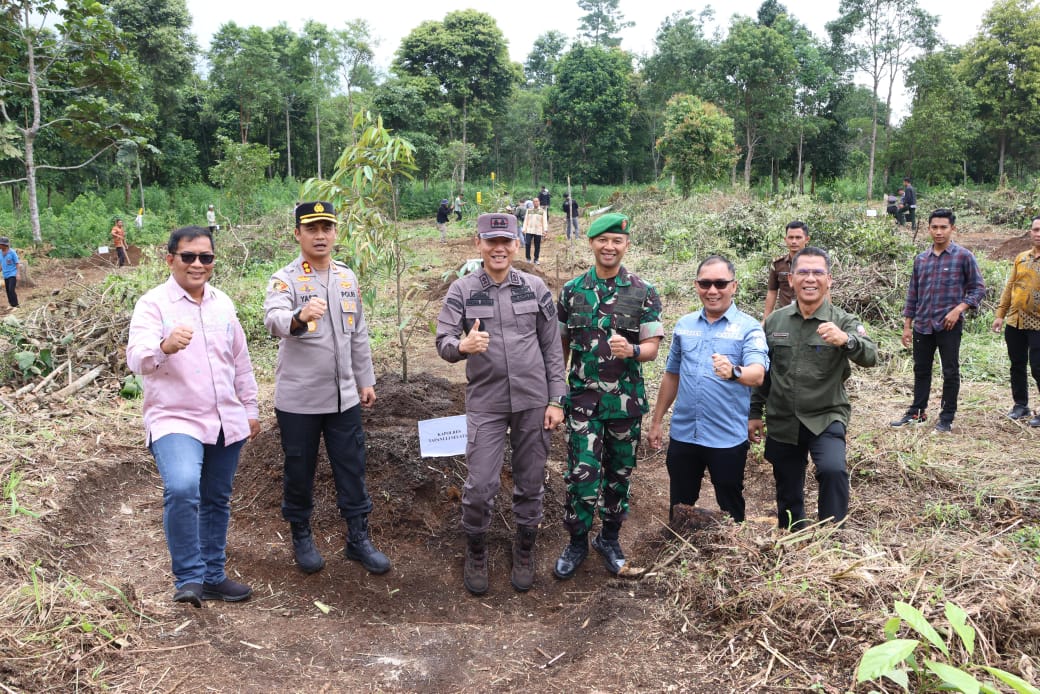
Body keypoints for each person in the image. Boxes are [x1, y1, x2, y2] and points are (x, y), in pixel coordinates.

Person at [126, 226, 259, 606]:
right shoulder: (153, 305)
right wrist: (163, 347)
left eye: (206, 257)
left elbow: (240, 362)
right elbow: (136, 357)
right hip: (175, 418)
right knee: (184, 487)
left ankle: (214, 576)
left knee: (216, 498)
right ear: (170, 259)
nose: (197, 264)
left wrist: (250, 408)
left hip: (223, 417)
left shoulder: (223, 303)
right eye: (188, 257)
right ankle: (189, 578)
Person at [435, 212, 566, 595]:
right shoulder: (461, 290)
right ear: (478, 244)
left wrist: (557, 398)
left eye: (506, 241)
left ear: (517, 245)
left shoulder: (535, 287)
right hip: (486, 403)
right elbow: (443, 339)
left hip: (532, 401)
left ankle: (524, 547)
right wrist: (461, 346)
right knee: (480, 485)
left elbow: (551, 348)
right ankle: (476, 548)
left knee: (529, 482)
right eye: (491, 241)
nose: (499, 248)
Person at [263, 201, 390, 576]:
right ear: (298, 234)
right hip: (299, 400)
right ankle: (301, 534)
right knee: (299, 469)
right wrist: (298, 317)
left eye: (327, 228)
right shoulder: (285, 279)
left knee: (352, 467)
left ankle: (357, 537)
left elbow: (359, 334)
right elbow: (273, 320)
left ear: (336, 233)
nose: (320, 236)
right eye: (312, 229)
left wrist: (365, 380)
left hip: (344, 397)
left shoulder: (347, 278)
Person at [553, 213, 664, 579]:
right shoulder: (571, 291)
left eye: (617, 240)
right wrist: (555, 395)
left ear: (626, 244)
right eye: (603, 240)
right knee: (581, 477)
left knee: (619, 475)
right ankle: (577, 542)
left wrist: (631, 350)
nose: (609, 247)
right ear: (592, 244)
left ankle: (610, 538)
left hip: (625, 403)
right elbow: (561, 348)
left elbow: (652, 347)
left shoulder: (643, 291)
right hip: (583, 402)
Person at [749, 247, 878, 530]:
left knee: (833, 470)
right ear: (791, 279)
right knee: (787, 482)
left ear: (829, 280)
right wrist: (754, 412)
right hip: (783, 417)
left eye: (818, 272)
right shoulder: (774, 322)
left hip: (826, 414)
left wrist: (846, 340)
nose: (810, 279)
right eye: (803, 272)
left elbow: (871, 355)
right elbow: (764, 372)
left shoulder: (843, 321)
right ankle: (793, 535)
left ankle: (832, 536)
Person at [648, 256, 767, 523]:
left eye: (720, 283)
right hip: (684, 433)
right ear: (696, 285)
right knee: (679, 503)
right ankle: (676, 551)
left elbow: (758, 373)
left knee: (730, 503)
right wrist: (657, 421)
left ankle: (734, 555)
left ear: (734, 286)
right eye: (705, 283)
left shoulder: (748, 328)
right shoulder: (684, 325)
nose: (712, 291)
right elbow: (671, 375)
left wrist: (734, 372)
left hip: (726, 437)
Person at [891, 209, 985, 433]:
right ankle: (917, 412)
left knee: (950, 371)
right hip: (923, 324)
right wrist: (907, 325)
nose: (939, 232)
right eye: (935, 227)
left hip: (948, 326)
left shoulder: (963, 256)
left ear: (952, 228)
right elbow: (913, 293)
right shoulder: (921, 259)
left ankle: (946, 417)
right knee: (921, 369)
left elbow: (978, 288)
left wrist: (959, 309)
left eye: (944, 227)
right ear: (929, 229)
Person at [992, 215, 1040, 426]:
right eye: (1035, 230)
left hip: (1038, 324)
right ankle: (1021, 405)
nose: (1038, 234)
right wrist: (1000, 315)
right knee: (1017, 364)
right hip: (1015, 321)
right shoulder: (1021, 258)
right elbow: (1010, 287)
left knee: (1038, 367)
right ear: (1030, 232)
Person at [763, 221, 810, 321]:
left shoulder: (815, 264)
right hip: (785, 318)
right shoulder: (778, 265)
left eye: (798, 238)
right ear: (785, 239)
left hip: (809, 316)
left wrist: (828, 319)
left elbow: (824, 292)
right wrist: (765, 320)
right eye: (790, 237)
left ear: (806, 239)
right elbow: (772, 292)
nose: (794, 241)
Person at [523, 198, 547, 265]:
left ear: (539, 202)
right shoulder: (529, 210)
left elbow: (544, 221)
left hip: (538, 230)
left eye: (537, 201)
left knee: (537, 245)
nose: (536, 203)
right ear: (532, 203)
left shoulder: (542, 211)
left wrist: (545, 230)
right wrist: (524, 229)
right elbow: (526, 220)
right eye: (534, 202)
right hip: (529, 230)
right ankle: (528, 258)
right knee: (527, 244)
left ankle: (536, 259)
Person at [0, 237, 19, 310]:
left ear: (4, 245)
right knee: (8, 290)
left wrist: (18, 273)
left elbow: (17, 263)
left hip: (12, 274)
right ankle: (11, 304)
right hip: (5, 274)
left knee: (11, 289)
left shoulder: (12, 252)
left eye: (0, 244)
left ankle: (16, 305)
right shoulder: (0, 252)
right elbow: (1, 263)